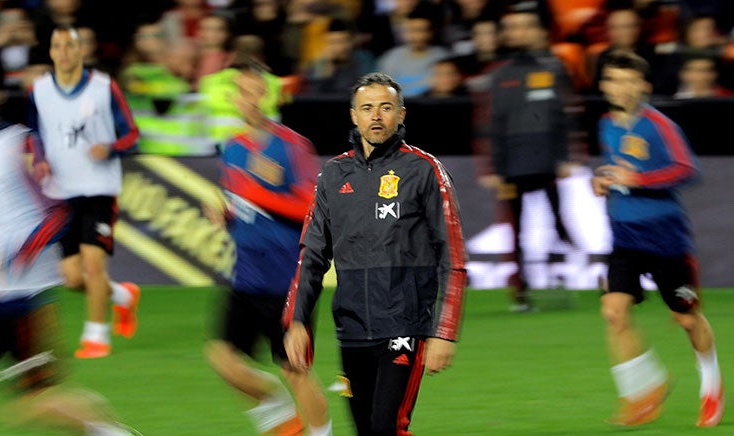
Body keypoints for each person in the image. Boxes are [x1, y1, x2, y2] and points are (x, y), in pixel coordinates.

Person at [283, 72, 468, 435]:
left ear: (401, 114)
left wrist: (444, 331)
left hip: (404, 324)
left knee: (387, 427)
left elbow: (453, 256)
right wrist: (298, 321)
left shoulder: (424, 170)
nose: (376, 116)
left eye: (386, 107)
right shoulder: (334, 175)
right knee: (366, 429)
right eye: (367, 108)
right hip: (352, 327)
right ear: (354, 115)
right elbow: (312, 256)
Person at [0, 67, 134, 436]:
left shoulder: (17, 145)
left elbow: (58, 209)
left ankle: (108, 432)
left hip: (15, 300)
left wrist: (16, 255)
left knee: (37, 400)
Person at [591, 51, 724, 427]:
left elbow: (687, 169)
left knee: (687, 319)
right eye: (613, 80)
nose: (620, 87)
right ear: (604, 85)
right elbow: (619, 171)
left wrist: (640, 181)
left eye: (628, 80)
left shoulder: (659, 125)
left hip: (666, 239)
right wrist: (603, 181)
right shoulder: (606, 125)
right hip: (625, 237)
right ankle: (645, 390)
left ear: (644, 86)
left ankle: (711, 384)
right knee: (614, 312)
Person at [202, 60, 332, 436]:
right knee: (221, 357)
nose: (249, 98)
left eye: (255, 90)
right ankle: (278, 414)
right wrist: (224, 212)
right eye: (241, 92)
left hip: (287, 279)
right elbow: (242, 205)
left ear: (267, 94)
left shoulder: (292, 146)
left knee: (297, 370)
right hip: (245, 275)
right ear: (233, 98)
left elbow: (311, 207)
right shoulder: (233, 149)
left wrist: (259, 190)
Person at [27, 26, 141, 359]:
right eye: (57, 46)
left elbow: (132, 134)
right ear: (51, 52)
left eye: (70, 46)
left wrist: (111, 147)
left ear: (81, 51)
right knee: (73, 277)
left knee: (93, 265)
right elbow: (34, 133)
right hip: (62, 194)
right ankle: (121, 296)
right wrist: (40, 160)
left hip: (99, 190)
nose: (63, 52)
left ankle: (96, 336)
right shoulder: (39, 91)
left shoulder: (104, 87)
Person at [484, 5, 577, 312]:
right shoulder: (499, 76)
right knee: (516, 231)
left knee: (559, 223)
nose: (518, 32)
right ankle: (520, 293)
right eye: (513, 27)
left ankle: (563, 275)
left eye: (525, 26)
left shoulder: (553, 69)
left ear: (538, 32)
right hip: (512, 167)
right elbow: (492, 124)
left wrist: (565, 157)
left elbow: (564, 116)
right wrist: (495, 168)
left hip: (547, 161)